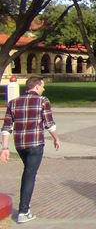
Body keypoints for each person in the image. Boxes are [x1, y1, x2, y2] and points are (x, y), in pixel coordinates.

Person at [1, 76, 60, 224]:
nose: (44, 89)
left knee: (28, 171)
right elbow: (49, 124)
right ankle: (23, 211)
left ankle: (24, 207)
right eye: (42, 86)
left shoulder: (13, 103)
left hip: (20, 145)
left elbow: (7, 127)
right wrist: (56, 138)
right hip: (35, 144)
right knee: (29, 174)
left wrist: (5, 148)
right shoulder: (42, 101)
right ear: (37, 87)